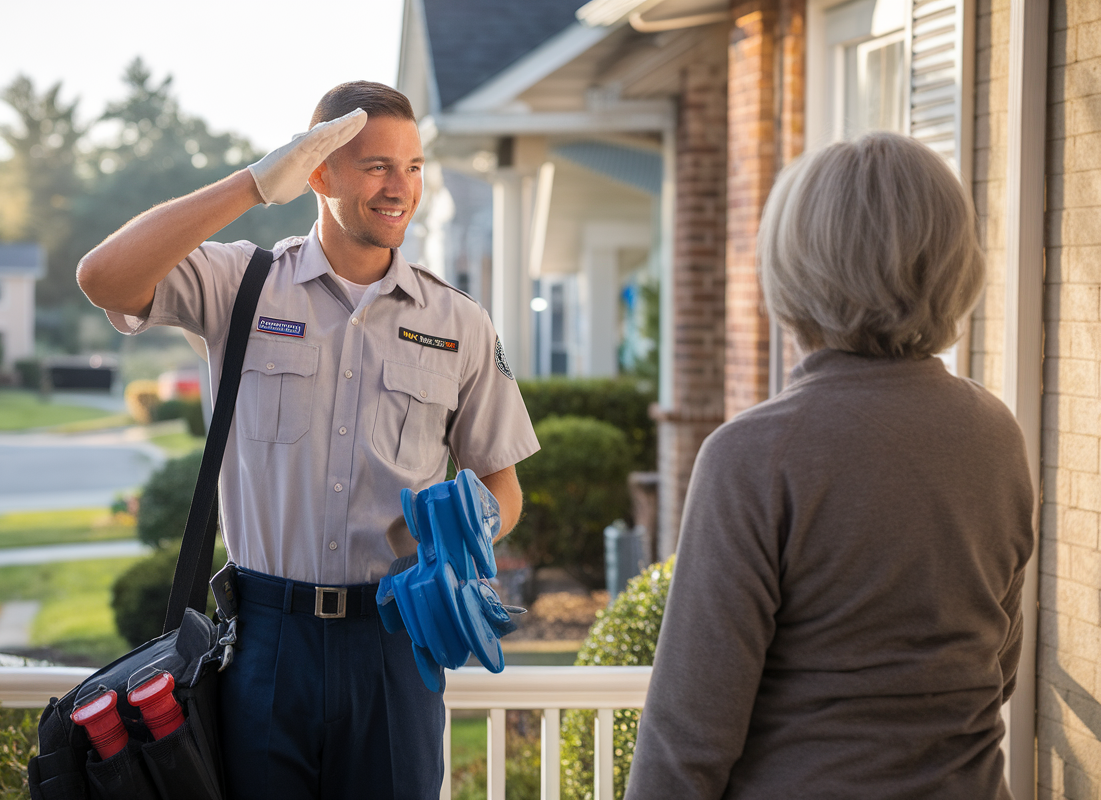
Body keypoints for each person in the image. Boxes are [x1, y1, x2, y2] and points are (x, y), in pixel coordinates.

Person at [77, 81, 539, 799]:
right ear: (318, 173)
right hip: (264, 646)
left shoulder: (460, 323)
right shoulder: (242, 286)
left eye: (413, 167)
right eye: (377, 166)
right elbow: (103, 277)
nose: (400, 188)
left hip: (393, 641)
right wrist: (256, 183)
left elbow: (502, 483)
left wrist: (468, 532)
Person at [624, 132, 1035, 799]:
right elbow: (998, 666)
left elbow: (687, 738)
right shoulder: (996, 435)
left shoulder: (752, 457)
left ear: (797, 267)